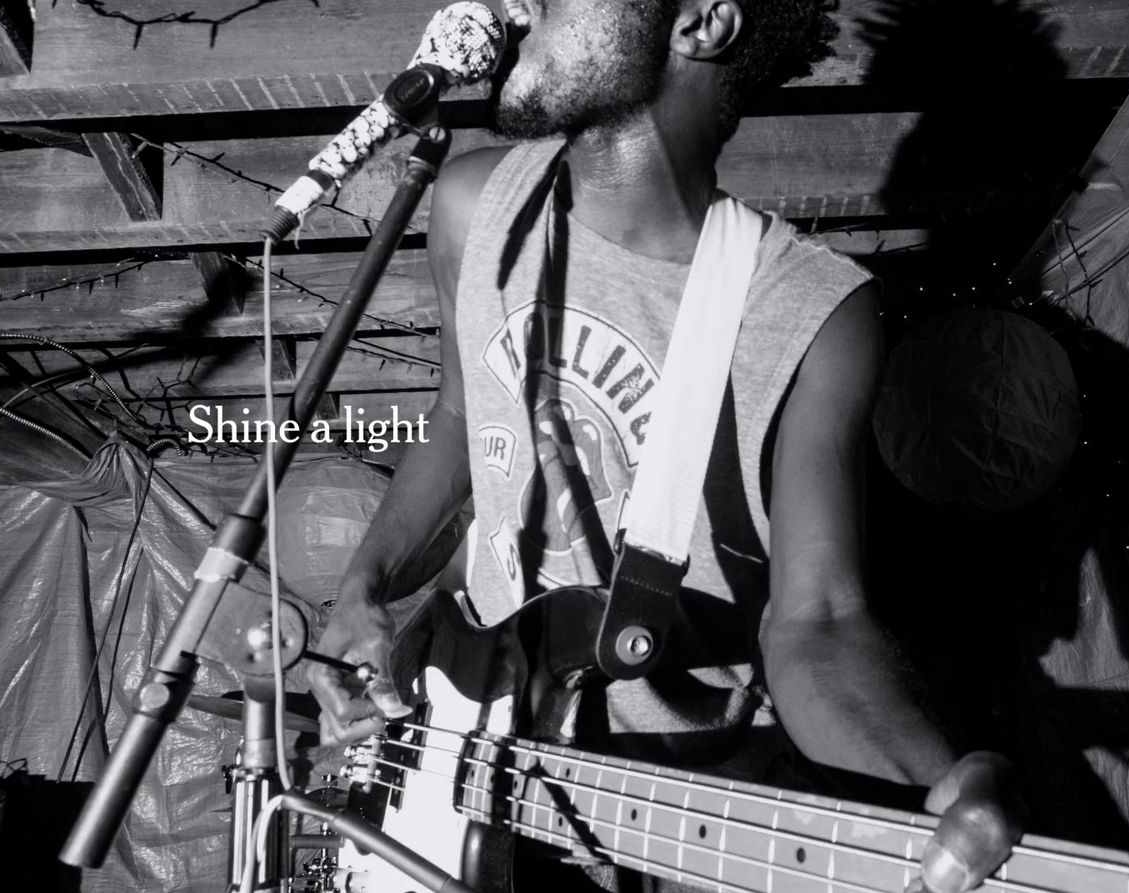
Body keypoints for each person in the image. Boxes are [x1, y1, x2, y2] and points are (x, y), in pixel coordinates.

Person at [308, 1, 1026, 890]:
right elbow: (462, 421)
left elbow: (818, 618)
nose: (516, 6)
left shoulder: (811, 310)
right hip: (469, 747)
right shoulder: (471, 203)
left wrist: (932, 786)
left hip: (678, 802)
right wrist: (363, 588)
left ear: (702, 22)